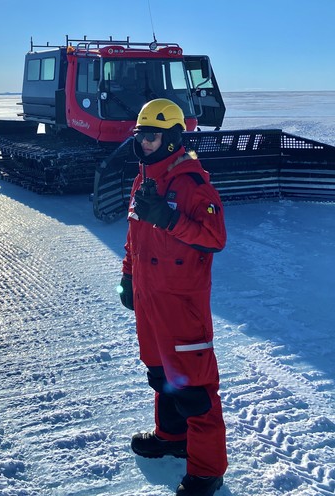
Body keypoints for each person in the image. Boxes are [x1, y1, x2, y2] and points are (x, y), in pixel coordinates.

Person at [119, 98, 228, 496]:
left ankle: (206, 471)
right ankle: (171, 437)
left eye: (152, 136)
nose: (144, 144)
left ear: (172, 138)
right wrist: (128, 277)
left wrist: (169, 218)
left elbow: (216, 238)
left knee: (195, 392)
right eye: (141, 136)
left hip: (182, 305)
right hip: (149, 300)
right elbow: (134, 237)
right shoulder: (143, 180)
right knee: (160, 375)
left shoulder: (191, 183)